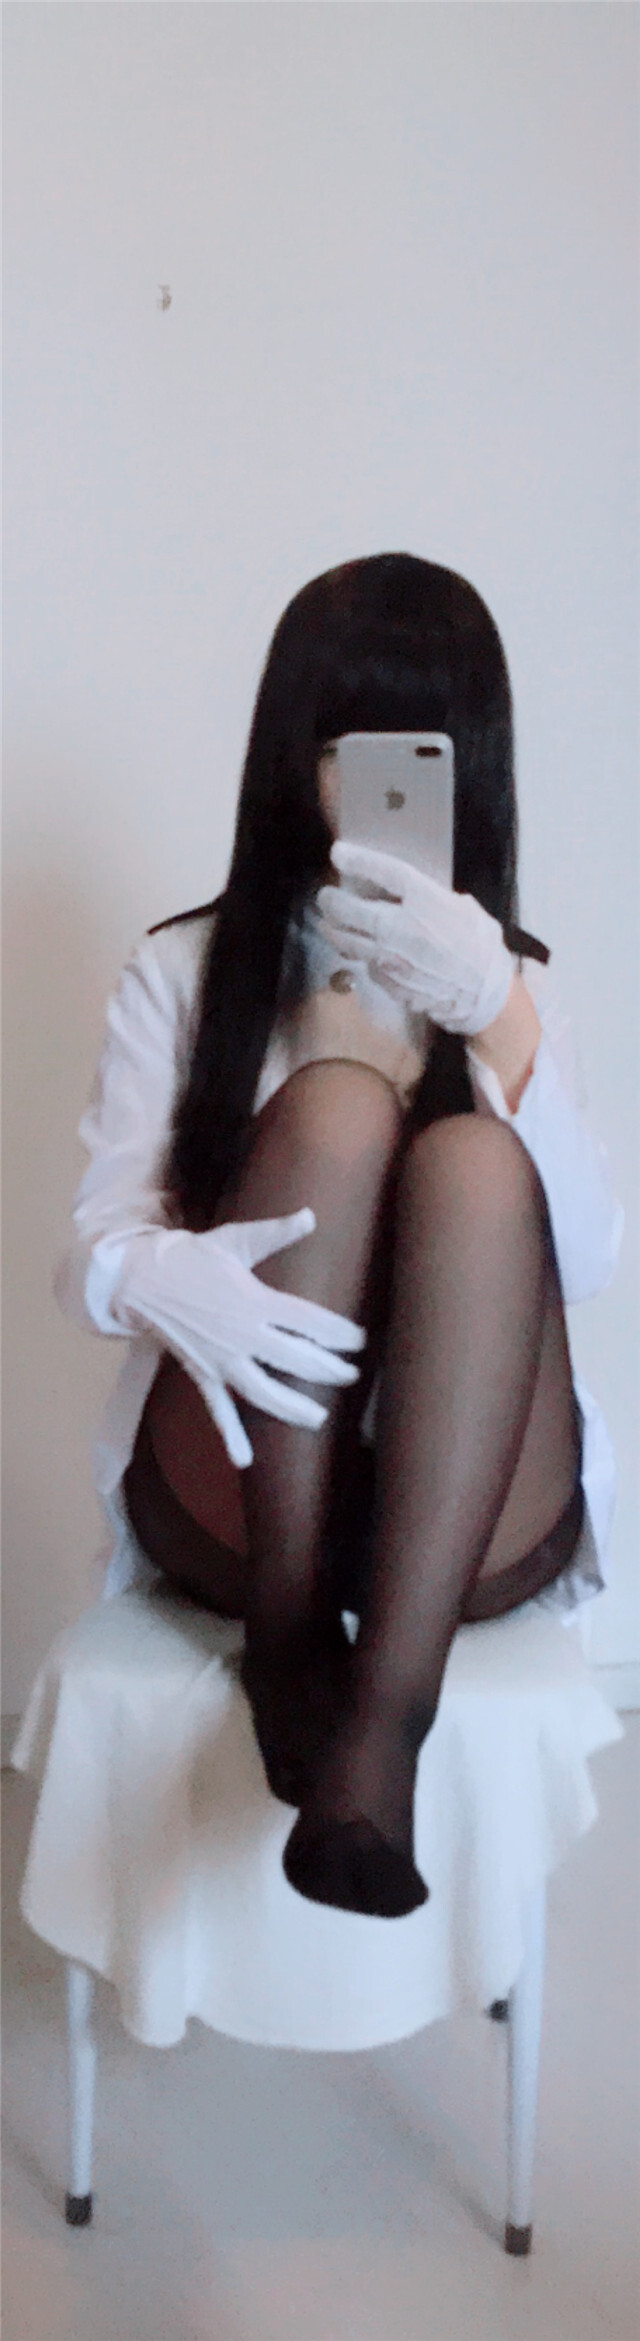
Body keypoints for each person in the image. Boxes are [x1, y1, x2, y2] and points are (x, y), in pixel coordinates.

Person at [57, 554, 624, 1922]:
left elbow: (594, 1264)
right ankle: (289, 1633)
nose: (364, 788)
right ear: (289, 755)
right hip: (243, 1501)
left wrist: (497, 1021)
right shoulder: (185, 969)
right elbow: (87, 1256)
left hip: (471, 1507)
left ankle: (386, 1729)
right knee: (336, 1113)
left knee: (478, 1165)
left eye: (417, 755)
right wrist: (164, 1274)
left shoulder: (507, 987)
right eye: (342, 748)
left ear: (471, 768)